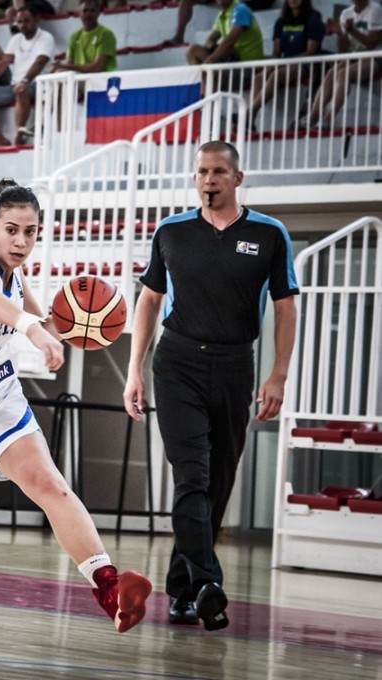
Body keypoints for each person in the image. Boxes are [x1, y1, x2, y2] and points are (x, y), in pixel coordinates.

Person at [0, 178, 154, 636]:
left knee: (49, 484)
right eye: (12, 230)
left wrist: (88, 318)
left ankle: (109, 587)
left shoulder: (14, 277)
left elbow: (49, 324)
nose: (21, 241)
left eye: (31, 232)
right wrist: (32, 330)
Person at [123, 141, 298, 631]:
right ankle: (207, 584)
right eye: (202, 171)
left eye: (219, 171)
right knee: (192, 477)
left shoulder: (269, 234)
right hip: (177, 363)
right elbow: (149, 300)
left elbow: (285, 307)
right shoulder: (171, 231)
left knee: (217, 484)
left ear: (237, 178)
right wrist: (134, 369)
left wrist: (278, 374)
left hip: (236, 366)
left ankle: (183, 591)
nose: (209, 180)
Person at [0, 6, 55, 146]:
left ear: (36, 19)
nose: (22, 25)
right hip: (14, 85)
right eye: (19, 22)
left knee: (21, 90)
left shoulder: (46, 37)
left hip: (37, 84)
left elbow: (40, 62)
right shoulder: (16, 39)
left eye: (26, 21)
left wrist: (25, 81)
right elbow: (3, 63)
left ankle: (19, 136)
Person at [303, 0, 381, 129]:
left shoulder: (375, 9)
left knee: (343, 73)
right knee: (331, 73)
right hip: (354, 56)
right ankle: (312, 117)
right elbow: (343, 49)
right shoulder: (346, 13)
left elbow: (371, 44)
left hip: (376, 56)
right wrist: (340, 33)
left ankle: (328, 119)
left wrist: (352, 30)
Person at [248, 0, 325, 127]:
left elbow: (310, 51)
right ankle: (250, 120)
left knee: (276, 75)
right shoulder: (281, 21)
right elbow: (276, 52)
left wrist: (285, 63)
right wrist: (275, 64)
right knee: (258, 77)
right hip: (284, 62)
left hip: (305, 64)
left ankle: (251, 111)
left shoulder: (313, 20)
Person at [187, 0, 264, 66]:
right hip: (233, 62)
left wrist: (207, 63)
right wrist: (214, 47)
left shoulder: (240, 9)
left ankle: (203, 75)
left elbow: (229, 42)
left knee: (213, 68)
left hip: (248, 65)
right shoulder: (221, 15)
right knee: (193, 50)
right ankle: (202, 76)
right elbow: (210, 40)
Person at [52, 0, 118, 74]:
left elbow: (97, 68)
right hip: (80, 78)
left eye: (92, 11)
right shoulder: (75, 36)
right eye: (85, 11)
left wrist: (65, 66)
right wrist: (62, 68)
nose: (88, 14)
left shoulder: (106, 34)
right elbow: (69, 64)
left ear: (98, 13)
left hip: (103, 78)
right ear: (79, 14)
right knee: (58, 73)